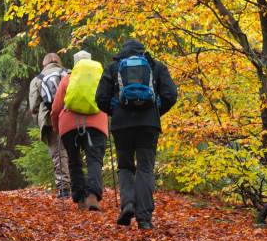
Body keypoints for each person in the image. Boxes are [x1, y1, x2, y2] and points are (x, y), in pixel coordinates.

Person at [95, 39, 178, 229]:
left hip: (121, 125)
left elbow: (100, 98)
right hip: (148, 125)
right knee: (145, 168)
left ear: (122, 51)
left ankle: (128, 204)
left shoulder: (113, 67)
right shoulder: (155, 66)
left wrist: (113, 110)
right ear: (143, 51)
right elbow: (171, 94)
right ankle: (144, 218)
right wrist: (157, 110)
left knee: (125, 166)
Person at [51, 51, 109, 211]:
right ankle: (93, 196)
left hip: (69, 126)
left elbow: (55, 109)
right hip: (96, 124)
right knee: (94, 159)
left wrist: (57, 128)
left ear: (75, 63)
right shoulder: (100, 79)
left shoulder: (67, 79)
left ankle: (80, 198)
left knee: (74, 161)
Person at [28, 52, 70, 199]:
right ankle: (78, 185)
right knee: (74, 152)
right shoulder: (68, 73)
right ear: (59, 61)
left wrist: (39, 121)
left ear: (44, 64)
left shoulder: (37, 80)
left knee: (58, 154)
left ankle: (64, 189)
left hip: (50, 120)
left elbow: (33, 106)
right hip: (71, 116)